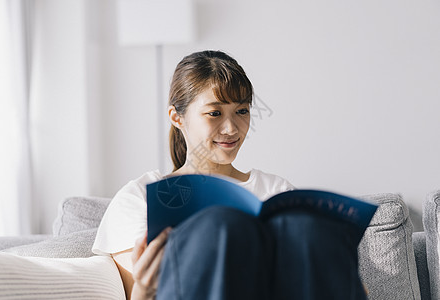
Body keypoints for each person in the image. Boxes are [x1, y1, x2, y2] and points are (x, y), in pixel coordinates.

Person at [92, 50, 367, 300]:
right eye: (214, 113)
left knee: (307, 228)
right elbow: (136, 294)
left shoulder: (276, 191)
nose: (231, 129)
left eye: (242, 111)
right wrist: (145, 288)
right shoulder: (140, 197)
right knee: (221, 224)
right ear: (177, 118)